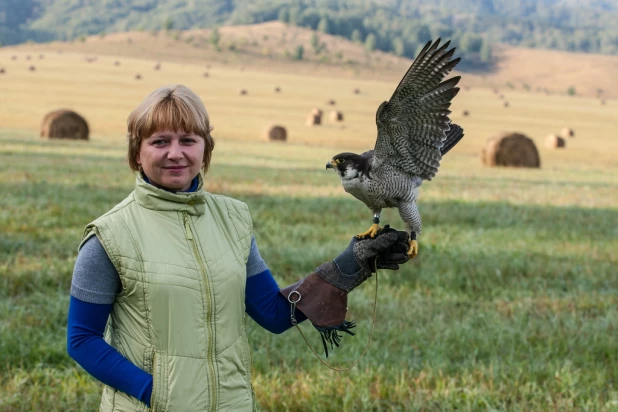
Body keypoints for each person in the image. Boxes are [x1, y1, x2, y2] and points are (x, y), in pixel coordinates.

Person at [66, 84, 410, 411]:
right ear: (137, 153)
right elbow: (82, 340)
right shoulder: (108, 236)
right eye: (159, 141)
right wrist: (155, 393)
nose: (175, 153)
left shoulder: (233, 219)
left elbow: (273, 314)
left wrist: (349, 265)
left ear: (205, 149)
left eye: (188, 139)